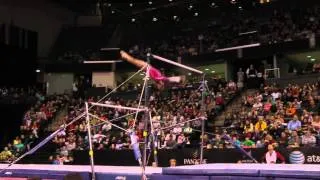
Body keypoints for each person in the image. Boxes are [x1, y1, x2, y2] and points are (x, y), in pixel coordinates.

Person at [120, 51, 185, 90]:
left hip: (145, 68)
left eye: (158, 87)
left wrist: (178, 83)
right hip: (146, 66)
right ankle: (124, 54)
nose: (158, 86)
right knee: (133, 60)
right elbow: (168, 79)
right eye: (159, 86)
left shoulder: (156, 79)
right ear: (161, 84)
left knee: (133, 61)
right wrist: (178, 79)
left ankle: (124, 55)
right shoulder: (160, 78)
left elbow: (167, 80)